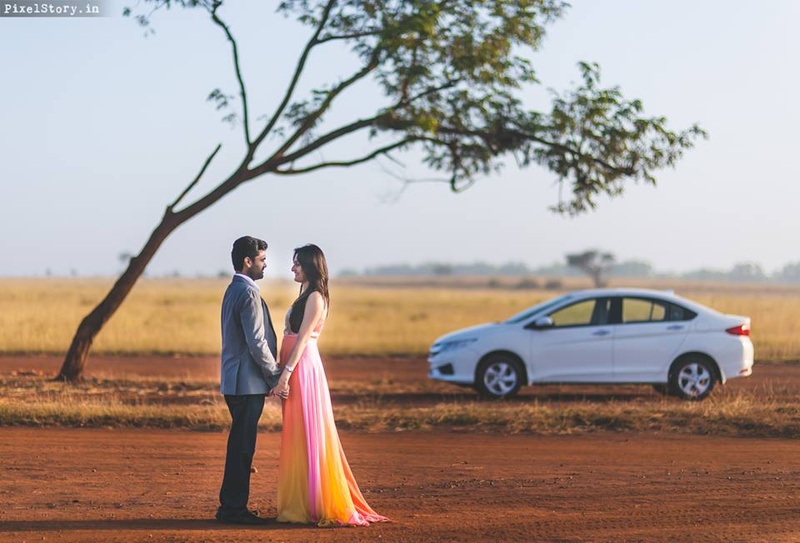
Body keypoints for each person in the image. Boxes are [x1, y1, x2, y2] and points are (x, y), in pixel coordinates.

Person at [274, 244, 388, 527]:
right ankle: (304, 498)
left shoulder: (315, 298)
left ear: (311, 266)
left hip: (303, 370)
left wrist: (286, 373)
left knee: (309, 431)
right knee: (298, 433)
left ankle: (316, 502)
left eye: (297, 264)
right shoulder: (305, 295)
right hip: (295, 367)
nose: (293, 268)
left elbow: (301, 340)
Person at [216, 236, 289, 525]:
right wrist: (275, 376)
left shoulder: (233, 289)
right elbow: (257, 342)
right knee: (243, 447)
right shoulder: (247, 294)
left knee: (239, 445)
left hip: (234, 381)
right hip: (247, 384)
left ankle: (230, 506)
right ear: (248, 261)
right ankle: (233, 509)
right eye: (261, 260)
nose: (265, 264)